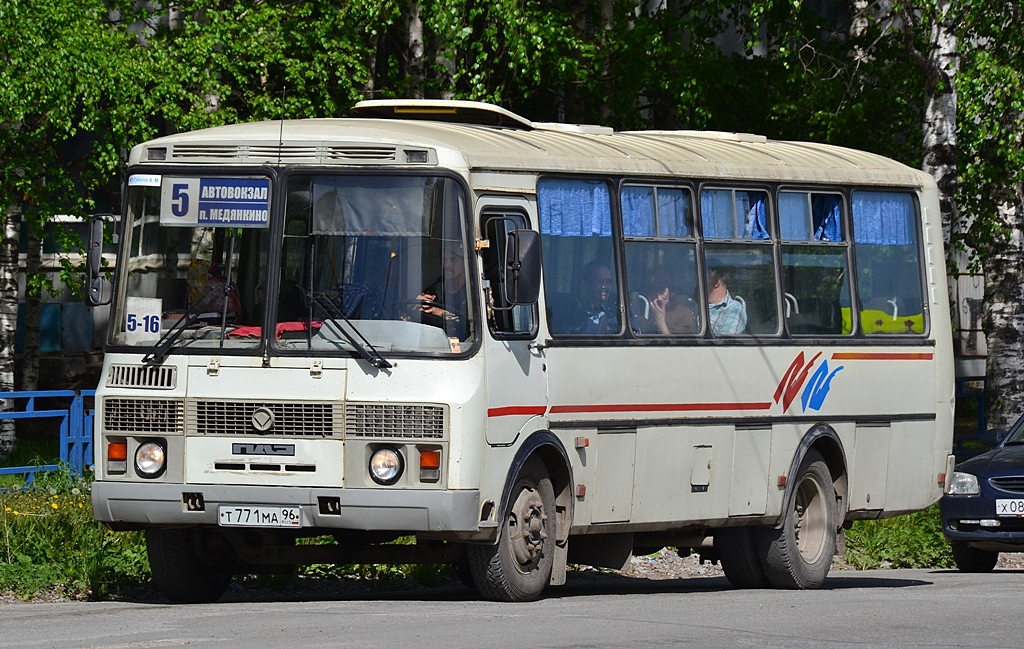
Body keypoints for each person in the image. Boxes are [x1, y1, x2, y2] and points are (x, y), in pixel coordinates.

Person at [418, 243, 470, 340]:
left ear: (465, 263)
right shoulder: (434, 289)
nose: (447, 264)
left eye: (453, 259)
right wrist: (419, 304)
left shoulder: (475, 294)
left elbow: (473, 324)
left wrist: (441, 313)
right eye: (444, 259)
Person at [643, 269, 696, 335]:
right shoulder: (642, 312)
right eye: (654, 294)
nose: (659, 298)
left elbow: (678, 344)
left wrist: (660, 320)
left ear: (670, 290)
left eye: (662, 292)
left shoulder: (684, 314)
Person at [573, 261, 618, 334]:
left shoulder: (620, 311)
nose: (605, 286)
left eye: (608, 281)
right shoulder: (577, 316)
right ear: (586, 285)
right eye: (599, 281)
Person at [707, 265, 746, 334]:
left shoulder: (733, 309)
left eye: (701, 279)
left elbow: (724, 342)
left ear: (716, 282)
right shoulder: (692, 305)